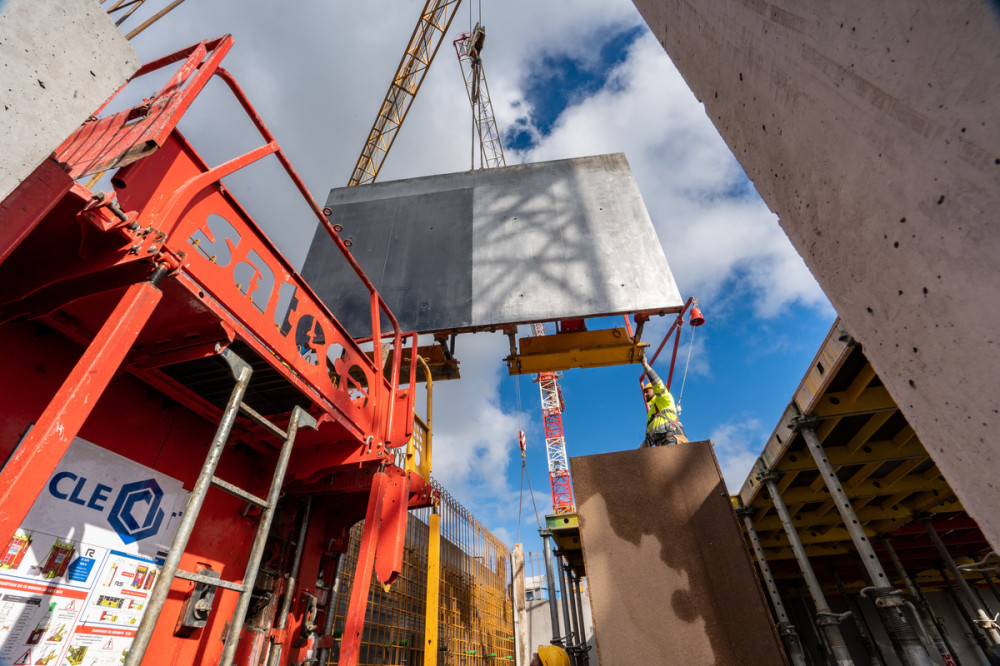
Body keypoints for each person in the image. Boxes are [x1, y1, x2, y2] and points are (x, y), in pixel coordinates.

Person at [639, 352, 689, 447]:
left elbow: (658, 384)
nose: (645, 394)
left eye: (647, 391)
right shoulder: (652, 413)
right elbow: (649, 439)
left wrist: (646, 367)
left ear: (654, 389)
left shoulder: (664, 399)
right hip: (663, 444)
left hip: (673, 439)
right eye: (644, 392)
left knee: (670, 460)